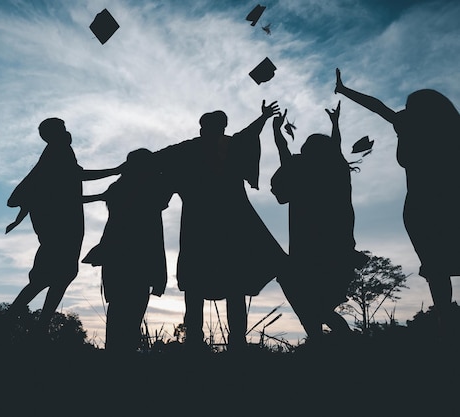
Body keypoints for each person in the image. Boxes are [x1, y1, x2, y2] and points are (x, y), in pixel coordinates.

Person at [334, 68, 460, 336]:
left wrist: (345, 90)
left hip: (427, 206)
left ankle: (447, 326)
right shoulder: (435, 128)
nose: (403, 110)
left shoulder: (415, 126)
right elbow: (378, 106)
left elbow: (379, 107)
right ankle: (447, 326)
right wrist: (345, 90)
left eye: (408, 106)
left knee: (438, 271)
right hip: (426, 206)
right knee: (438, 269)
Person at [153, 101, 287, 352]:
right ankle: (228, 342)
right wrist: (264, 118)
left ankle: (203, 342)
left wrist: (264, 118)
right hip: (222, 228)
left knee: (205, 286)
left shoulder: (191, 150)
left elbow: (155, 159)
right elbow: (249, 134)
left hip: (205, 228)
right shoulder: (219, 147)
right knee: (224, 285)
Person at [5, 117, 122, 335]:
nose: (66, 131)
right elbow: (69, 187)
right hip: (62, 229)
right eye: (61, 128)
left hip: (67, 227)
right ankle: (12, 323)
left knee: (59, 276)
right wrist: (113, 171)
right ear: (52, 134)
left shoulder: (57, 152)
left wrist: (99, 194)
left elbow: (67, 194)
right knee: (46, 278)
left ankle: (36, 326)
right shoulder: (57, 151)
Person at [270, 102, 368, 342]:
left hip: (307, 249)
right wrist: (335, 125)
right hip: (337, 248)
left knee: (310, 301)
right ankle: (330, 340)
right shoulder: (336, 169)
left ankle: (322, 340)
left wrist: (276, 131)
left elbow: (284, 154)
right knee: (320, 304)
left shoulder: (301, 168)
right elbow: (336, 148)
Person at [82, 148, 173, 354]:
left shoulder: (118, 187)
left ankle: (116, 353)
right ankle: (124, 354)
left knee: (118, 307)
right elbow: (165, 192)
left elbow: (94, 197)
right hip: (140, 254)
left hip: (116, 252)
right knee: (134, 307)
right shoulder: (153, 187)